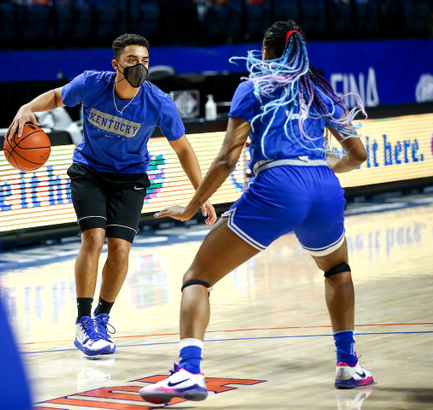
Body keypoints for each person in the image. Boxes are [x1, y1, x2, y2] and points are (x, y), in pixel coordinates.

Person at [139, 20, 373, 404]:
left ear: (264, 53)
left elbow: (228, 158)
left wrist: (192, 206)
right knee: (336, 270)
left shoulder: (253, 87)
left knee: (198, 277)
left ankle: (188, 372)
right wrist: (321, 166)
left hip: (279, 186)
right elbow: (358, 155)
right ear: (298, 53)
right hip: (325, 188)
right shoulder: (318, 89)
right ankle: (348, 365)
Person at [5, 33, 217, 356]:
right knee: (93, 239)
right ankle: (83, 321)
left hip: (130, 177)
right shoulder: (92, 83)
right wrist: (26, 107)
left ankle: (102, 319)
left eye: (145, 61)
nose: (140, 67)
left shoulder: (158, 102)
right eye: (132, 61)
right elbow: (57, 97)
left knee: (119, 250)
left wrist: (202, 195)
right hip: (89, 170)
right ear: (116, 65)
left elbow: (184, 149)